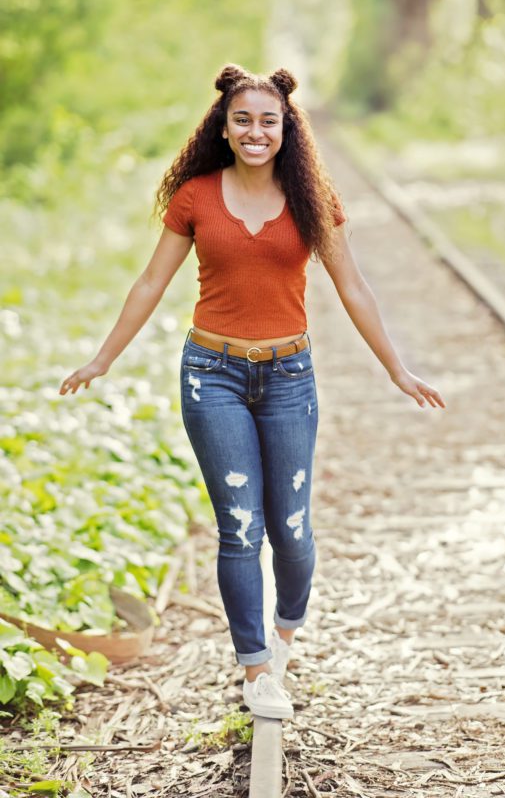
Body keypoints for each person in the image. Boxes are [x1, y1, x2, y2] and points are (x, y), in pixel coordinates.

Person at [59, 63, 445, 719]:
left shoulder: (313, 201)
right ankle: (256, 669)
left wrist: (396, 369)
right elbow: (151, 284)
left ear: (287, 128)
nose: (256, 130)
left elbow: (353, 288)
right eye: (244, 119)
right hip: (213, 375)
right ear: (225, 126)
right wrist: (102, 358)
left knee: (290, 531)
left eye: (269, 120)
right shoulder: (196, 197)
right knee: (240, 528)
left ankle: (286, 629)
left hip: (290, 376)